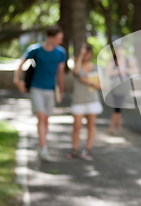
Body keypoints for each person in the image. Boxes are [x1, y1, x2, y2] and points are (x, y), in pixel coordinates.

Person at [14, 25, 66, 162]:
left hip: (50, 89)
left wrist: (61, 89)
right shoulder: (35, 50)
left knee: (46, 119)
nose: (60, 40)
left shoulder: (61, 53)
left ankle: (41, 144)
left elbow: (60, 73)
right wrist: (17, 80)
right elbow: (21, 63)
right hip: (36, 88)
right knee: (41, 117)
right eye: (58, 38)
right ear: (50, 37)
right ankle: (43, 147)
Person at [68, 43, 103, 160]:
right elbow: (76, 72)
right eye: (84, 53)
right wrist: (80, 56)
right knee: (77, 126)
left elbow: (101, 86)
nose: (86, 55)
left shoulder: (96, 68)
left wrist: (88, 82)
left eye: (87, 53)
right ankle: (74, 150)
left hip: (92, 100)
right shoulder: (77, 66)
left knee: (90, 126)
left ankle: (88, 149)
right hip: (78, 100)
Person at [105, 46, 139, 134]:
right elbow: (107, 72)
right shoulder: (113, 61)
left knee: (118, 107)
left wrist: (126, 70)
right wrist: (118, 71)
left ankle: (116, 127)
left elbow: (136, 70)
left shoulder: (127, 60)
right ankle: (114, 127)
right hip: (115, 87)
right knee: (118, 107)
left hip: (124, 86)